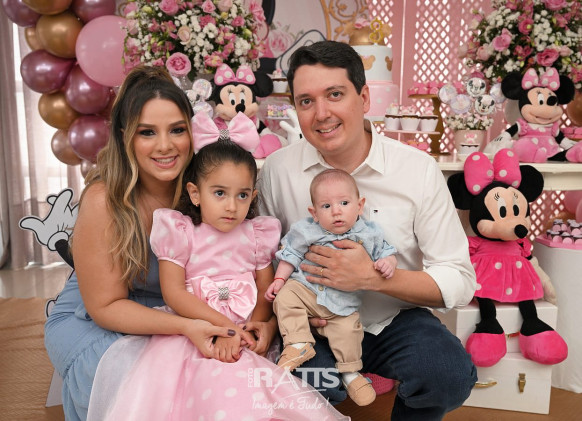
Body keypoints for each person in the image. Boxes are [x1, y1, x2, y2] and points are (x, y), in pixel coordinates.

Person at [257, 40, 478, 420]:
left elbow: (459, 279)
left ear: (363, 98)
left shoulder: (416, 169)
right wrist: (283, 314)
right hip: (315, 320)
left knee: (447, 374)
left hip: (395, 319)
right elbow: (262, 257)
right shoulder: (278, 170)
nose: (321, 114)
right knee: (305, 382)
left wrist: (372, 279)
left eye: (335, 95)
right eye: (306, 101)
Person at [43, 67, 275, 421]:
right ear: (125, 137)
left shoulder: (205, 186)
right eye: (147, 132)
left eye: (177, 130)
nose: (165, 146)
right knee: (144, 391)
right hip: (102, 317)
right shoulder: (104, 199)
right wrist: (187, 326)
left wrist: (260, 323)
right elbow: (105, 306)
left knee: (227, 381)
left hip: (185, 308)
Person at [86, 113, 349, 420]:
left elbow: (266, 288)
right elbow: (174, 293)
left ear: (253, 196)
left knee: (261, 393)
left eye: (242, 195)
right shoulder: (181, 232)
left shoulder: (257, 234)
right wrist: (225, 330)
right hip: (198, 332)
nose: (231, 206)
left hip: (246, 335)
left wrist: (257, 327)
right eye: (220, 193)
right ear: (195, 193)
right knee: (213, 390)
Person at [265, 168, 397, 406]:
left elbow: (386, 252)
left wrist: (387, 263)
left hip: (342, 304)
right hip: (306, 292)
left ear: (360, 206)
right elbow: (290, 254)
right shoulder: (306, 230)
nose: (336, 211)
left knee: (349, 333)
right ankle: (298, 342)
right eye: (326, 206)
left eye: (344, 203)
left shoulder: (370, 234)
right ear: (314, 213)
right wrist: (279, 280)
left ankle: (351, 373)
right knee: (285, 297)